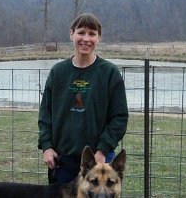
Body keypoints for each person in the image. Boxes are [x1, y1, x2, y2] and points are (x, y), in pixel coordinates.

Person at [38, 13, 129, 184]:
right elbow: (45, 115)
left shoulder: (110, 74)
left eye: (92, 34)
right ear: (71, 34)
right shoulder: (58, 72)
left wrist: (102, 150)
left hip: (98, 161)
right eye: (81, 32)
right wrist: (47, 146)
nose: (86, 39)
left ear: (99, 38)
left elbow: (119, 118)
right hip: (62, 161)